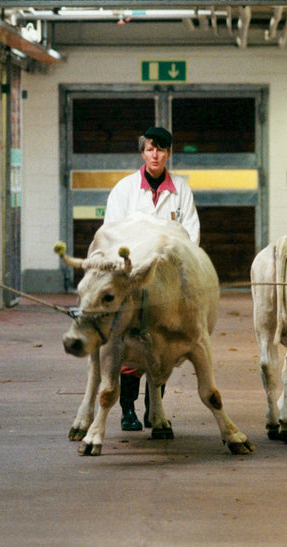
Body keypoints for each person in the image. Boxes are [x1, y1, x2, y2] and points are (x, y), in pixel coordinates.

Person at [103, 126, 200, 431]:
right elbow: (110, 232)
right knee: (131, 345)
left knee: (160, 347)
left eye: (160, 149)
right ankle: (128, 410)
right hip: (133, 280)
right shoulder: (124, 190)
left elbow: (191, 235)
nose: (154, 155)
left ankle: (153, 410)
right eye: (149, 149)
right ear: (142, 152)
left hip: (167, 282)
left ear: (169, 153)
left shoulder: (181, 190)